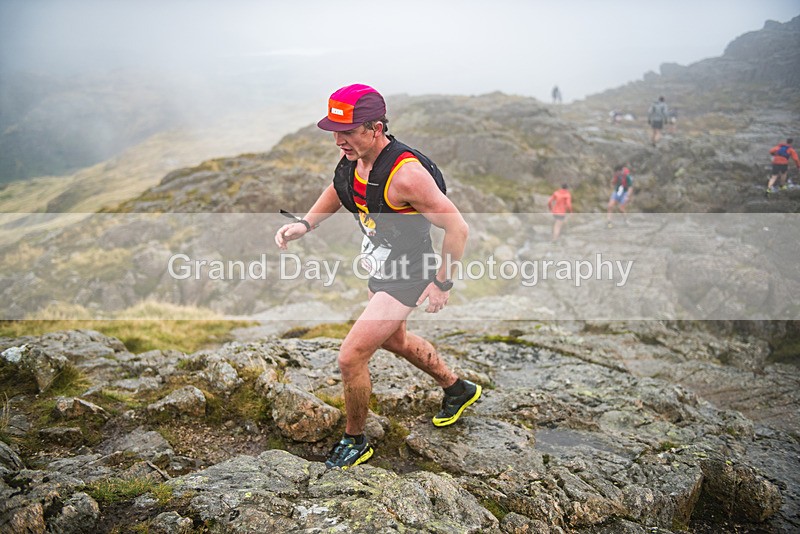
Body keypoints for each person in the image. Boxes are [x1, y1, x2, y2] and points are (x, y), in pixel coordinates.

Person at [274, 84, 480, 469]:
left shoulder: (407, 176)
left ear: (376, 128)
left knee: (350, 357)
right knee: (395, 340)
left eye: (348, 131)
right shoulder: (355, 159)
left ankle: (355, 440)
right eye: (335, 131)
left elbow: (459, 228)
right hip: (383, 266)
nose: (339, 140)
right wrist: (305, 225)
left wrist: (442, 282)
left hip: (409, 272)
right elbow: (339, 190)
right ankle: (457, 388)